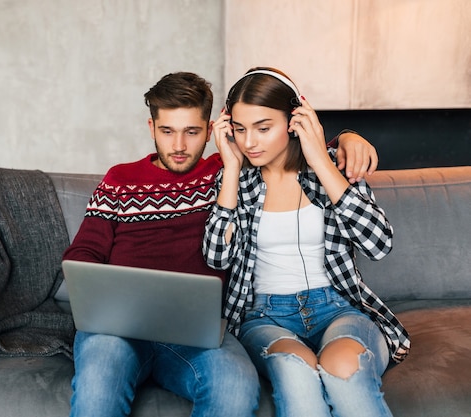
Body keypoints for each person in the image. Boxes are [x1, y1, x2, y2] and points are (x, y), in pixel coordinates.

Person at [63, 71, 380, 417]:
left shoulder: (230, 170)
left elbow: (288, 150)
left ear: (212, 129)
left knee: (233, 385)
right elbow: (83, 254)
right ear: (151, 128)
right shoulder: (119, 180)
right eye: (167, 131)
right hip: (118, 328)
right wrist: (101, 294)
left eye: (192, 132)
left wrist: (349, 137)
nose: (179, 146)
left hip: (194, 332)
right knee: (98, 388)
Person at [202, 67, 411, 417]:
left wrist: (319, 159)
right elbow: (216, 258)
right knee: (296, 374)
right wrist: (232, 171)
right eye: (240, 129)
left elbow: (379, 245)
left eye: (263, 128)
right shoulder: (234, 179)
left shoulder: (334, 167)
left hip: (339, 308)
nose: (249, 142)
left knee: (344, 370)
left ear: (294, 120)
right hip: (265, 316)